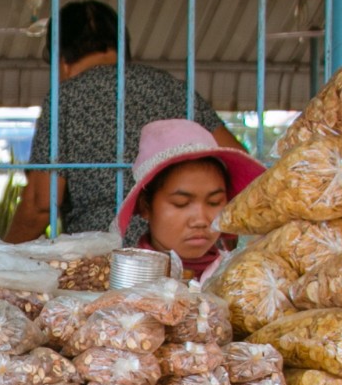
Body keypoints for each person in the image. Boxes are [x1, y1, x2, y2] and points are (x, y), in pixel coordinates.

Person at [6, 0, 240, 242]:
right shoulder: (172, 88)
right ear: (123, 49)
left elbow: (41, 203)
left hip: (102, 255)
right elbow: (239, 166)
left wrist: (3, 258)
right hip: (177, 250)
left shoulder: (65, 98)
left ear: (61, 61)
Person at [113, 119, 265, 278]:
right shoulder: (123, 282)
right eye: (181, 203)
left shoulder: (243, 278)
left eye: (214, 202)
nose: (200, 220)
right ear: (145, 206)